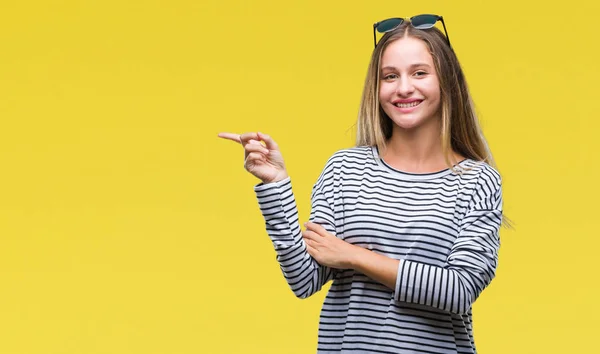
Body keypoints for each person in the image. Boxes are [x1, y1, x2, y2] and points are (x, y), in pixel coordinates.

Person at [219, 14, 505, 354]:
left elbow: (458, 290)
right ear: (376, 87)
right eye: (389, 76)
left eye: (419, 73)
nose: (403, 88)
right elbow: (304, 279)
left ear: (446, 81)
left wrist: (354, 256)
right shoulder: (346, 170)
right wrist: (276, 185)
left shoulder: (477, 181)